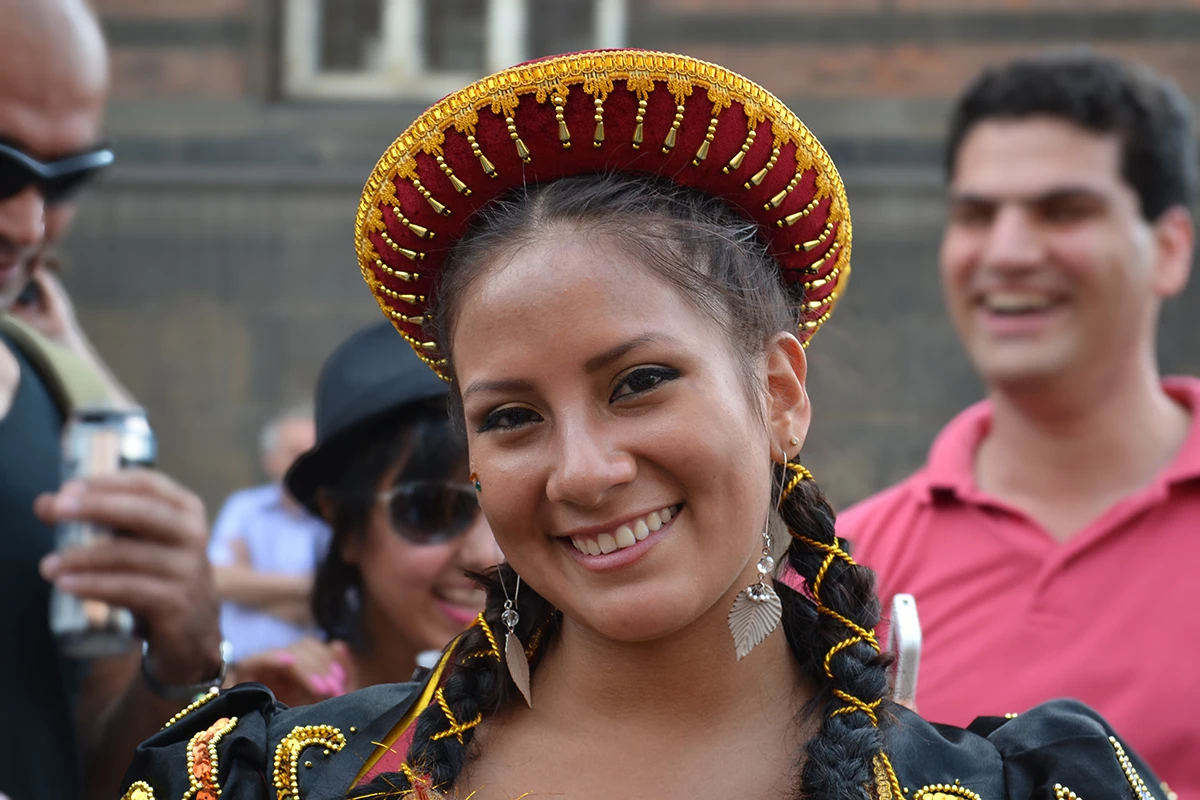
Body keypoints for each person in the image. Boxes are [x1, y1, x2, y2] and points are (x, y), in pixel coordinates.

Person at [120, 50, 1162, 800]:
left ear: (781, 394)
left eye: (640, 382)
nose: (581, 469)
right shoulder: (267, 778)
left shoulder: (1025, 785)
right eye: (513, 415)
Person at [837, 51, 1196, 799]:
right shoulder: (853, 563)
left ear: (1168, 250)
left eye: (1063, 212)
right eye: (976, 215)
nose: (1006, 252)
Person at [0, 2, 224, 800]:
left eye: (68, 179)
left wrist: (181, 659)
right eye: (1, 167)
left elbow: (86, 762)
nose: (27, 224)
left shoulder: (63, 411)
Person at [226, 321, 500, 706]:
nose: (487, 556)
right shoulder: (283, 720)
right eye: (433, 510)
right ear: (345, 523)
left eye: (509, 508)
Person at [209, 406, 331, 662]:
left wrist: (250, 588)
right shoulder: (243, 508)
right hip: (235, 671)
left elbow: (340, 604)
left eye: (314, 453)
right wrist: (309, 586)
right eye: (296, 453)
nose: (305, 464)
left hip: (310, 681)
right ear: (270, 460)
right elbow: (216, 581)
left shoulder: (334, 519)